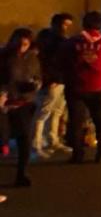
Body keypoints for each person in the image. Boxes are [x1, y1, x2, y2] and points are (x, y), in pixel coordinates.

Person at [63, 11, 101, 164]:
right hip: (98, 87)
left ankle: (77, 154)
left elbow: (63, 57)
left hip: (76, 87)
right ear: (100, 25)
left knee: (76, 122)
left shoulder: (73, 41)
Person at [1, 28, 41, 187]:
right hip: (5, 103)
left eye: (25, 44)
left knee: (24, 138)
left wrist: (35, 85)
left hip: (24, 102)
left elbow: (38, 76)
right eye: (18, 43)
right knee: (2, 137)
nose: (21, 47)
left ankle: (22, 173)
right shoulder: (3, 57)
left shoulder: (32, 58)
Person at [33, 13, 74, 158]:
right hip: (54, 81)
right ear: (56, 24)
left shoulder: (61, 39)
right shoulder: (49, 39)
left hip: (63, 80)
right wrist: (50, 79)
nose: (66, 28)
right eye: (65, 25)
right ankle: (36, 143)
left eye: (69, 25)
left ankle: (53, 140)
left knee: (57, 112)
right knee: (44, 112)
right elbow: (46, 61)